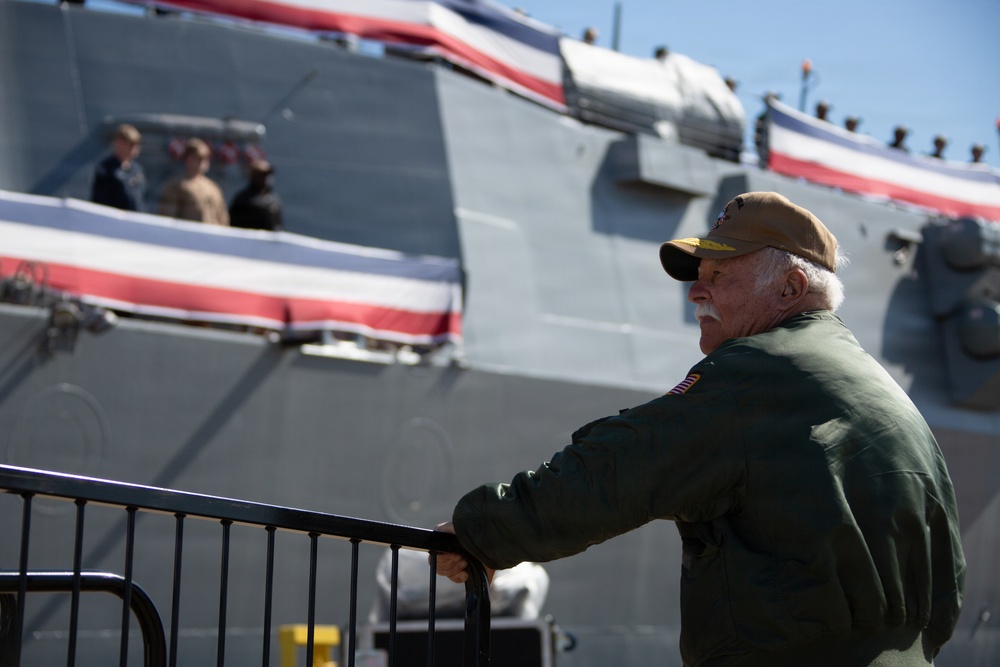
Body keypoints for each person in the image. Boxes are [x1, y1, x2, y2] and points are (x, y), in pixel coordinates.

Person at [436, 191, 965, 666]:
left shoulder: (752, 373)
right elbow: (949, 580)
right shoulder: (890, 397)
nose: (695, 293)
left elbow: (624, 466)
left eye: (719, 276)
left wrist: (484, 531)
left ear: (791, 286)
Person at [158, 138, 229, 226]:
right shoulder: (176, 186)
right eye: (198, 158)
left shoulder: (213, 187)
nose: (203, 162)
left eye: (206, 158)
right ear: (187, 158)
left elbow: (222, 218)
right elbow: (167, 219)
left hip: (211, 237)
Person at [91, 124, 146, 212]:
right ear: (119, 143)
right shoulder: (106, 170)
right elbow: (100, 202)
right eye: (131, 144)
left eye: (136, 144)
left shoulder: (137, 170)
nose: (135, 148)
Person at [229, 159, 284, 231]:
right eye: (262, 175)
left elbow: (278, 224)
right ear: (253, 176)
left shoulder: (273, 199)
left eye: (267, 174)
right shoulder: (243, 199)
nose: (266, 178)